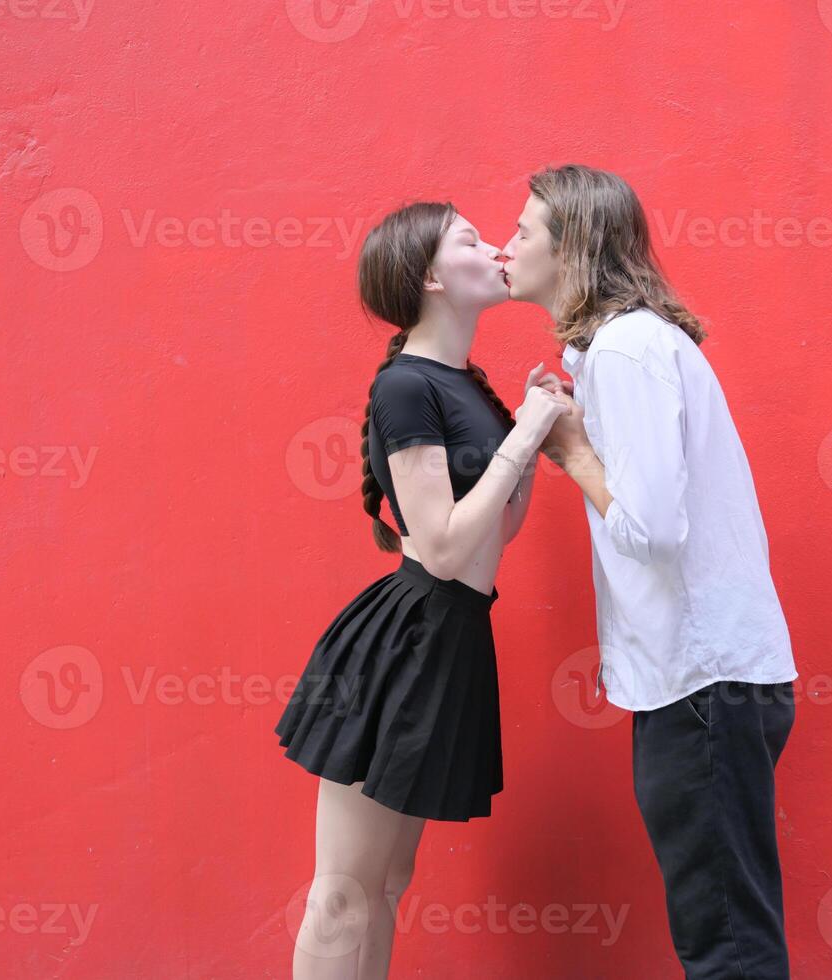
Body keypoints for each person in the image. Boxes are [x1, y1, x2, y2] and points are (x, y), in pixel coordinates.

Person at [504, 164, 800, 979]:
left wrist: (570, 450)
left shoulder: (629, 349)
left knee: (726, 946)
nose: (506, 246)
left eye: (524, 231)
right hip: (701, 682)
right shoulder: (620, 347)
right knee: (726, 930)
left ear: (571, 246)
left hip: (701, 684)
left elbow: (652, 529)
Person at [274, 201, 569, 980]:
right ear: (433, 277)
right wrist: (527, 432)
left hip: (453, 636)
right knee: (342, 894)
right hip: (403, 642)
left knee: (388, 884)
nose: (499, 246)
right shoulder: (407, 386)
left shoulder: (463, 383)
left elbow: (490, 536)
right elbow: (438, 544)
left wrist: (526, 443)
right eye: (472, 240)